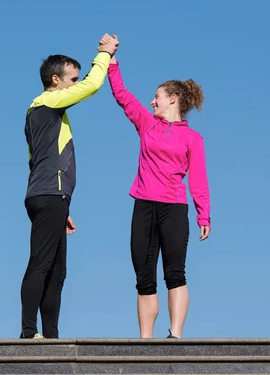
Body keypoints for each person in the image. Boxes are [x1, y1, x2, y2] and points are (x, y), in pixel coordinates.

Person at [103, 35, 211, 339]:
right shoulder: (146, 124)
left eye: (158, 96)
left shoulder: (193, 139)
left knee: (175, 274)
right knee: (144, 277)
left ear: (173, 99)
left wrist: (204, 215)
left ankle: (175, 336)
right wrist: (111, 59)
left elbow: (199, 180)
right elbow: (122, 95)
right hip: (143, 206)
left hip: (174, 209)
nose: (152, 101)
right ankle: (145, 342)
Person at [20, 34, 119, 339]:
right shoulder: (48, 101)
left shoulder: (43, 114)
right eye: (71, 79)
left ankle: (50, 337)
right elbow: (92, 85)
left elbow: (39, 161)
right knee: (41, 263)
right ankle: (28, 333)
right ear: (54, 80)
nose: (76, 84)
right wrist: (104, 55)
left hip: (51, 197)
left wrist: (63, 206)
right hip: (49, 196)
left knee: (56, 271)